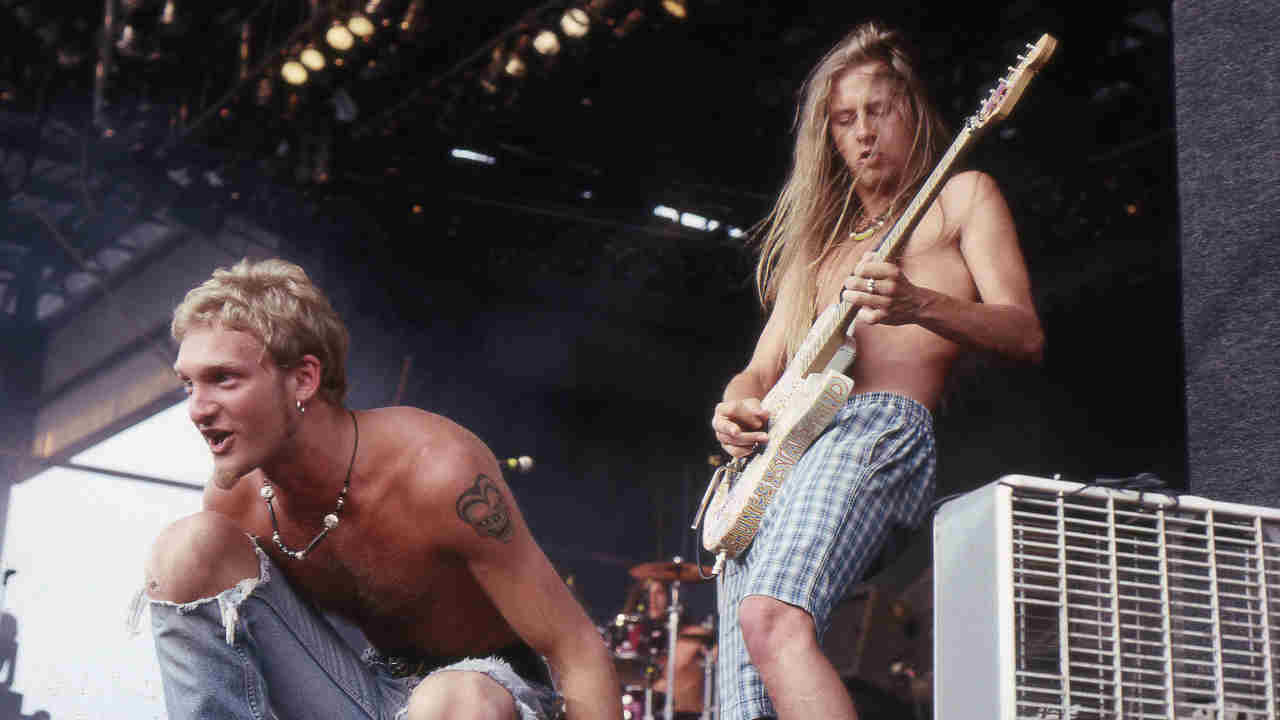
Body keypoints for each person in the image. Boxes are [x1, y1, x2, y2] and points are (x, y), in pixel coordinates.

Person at [708, 21, 1044, 720]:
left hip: (878, 428)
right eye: (844, 119)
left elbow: (1024, 332)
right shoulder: (819, 249)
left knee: (773, 618)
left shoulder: (962, 196)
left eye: (878, 110)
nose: (863, 133)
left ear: (911, 112)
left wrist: (919, 301)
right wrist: (734, 407)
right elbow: (760, 369)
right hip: (774, 465)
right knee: (744, 700)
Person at [140, 258, 620, 720]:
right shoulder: (237, 500)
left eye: (223, 379)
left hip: (488, 694)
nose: (198, 409)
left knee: (452, 701)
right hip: (369, 688)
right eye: (189, 384)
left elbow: (576, 648)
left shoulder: (436, 469)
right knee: (188, 550)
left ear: (303, 379)